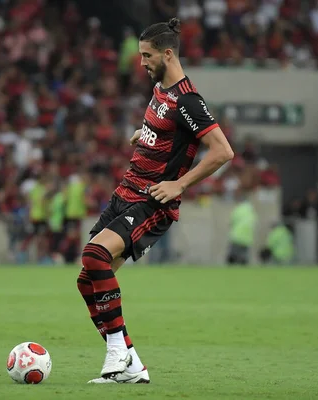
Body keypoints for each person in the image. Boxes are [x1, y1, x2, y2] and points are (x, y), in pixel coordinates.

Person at [78, 18, 234, 384]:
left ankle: (116, 351)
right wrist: (144, 135)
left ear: (168, 54)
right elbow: (166, 134)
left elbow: (222, 152)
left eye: (147, 56)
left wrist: (179, 185)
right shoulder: (160, 89)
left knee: (96, 255)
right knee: (88, 280)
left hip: (151, 202)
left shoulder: (188, 100)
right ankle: (131, 366)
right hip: (124, 194)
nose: (142, 62)